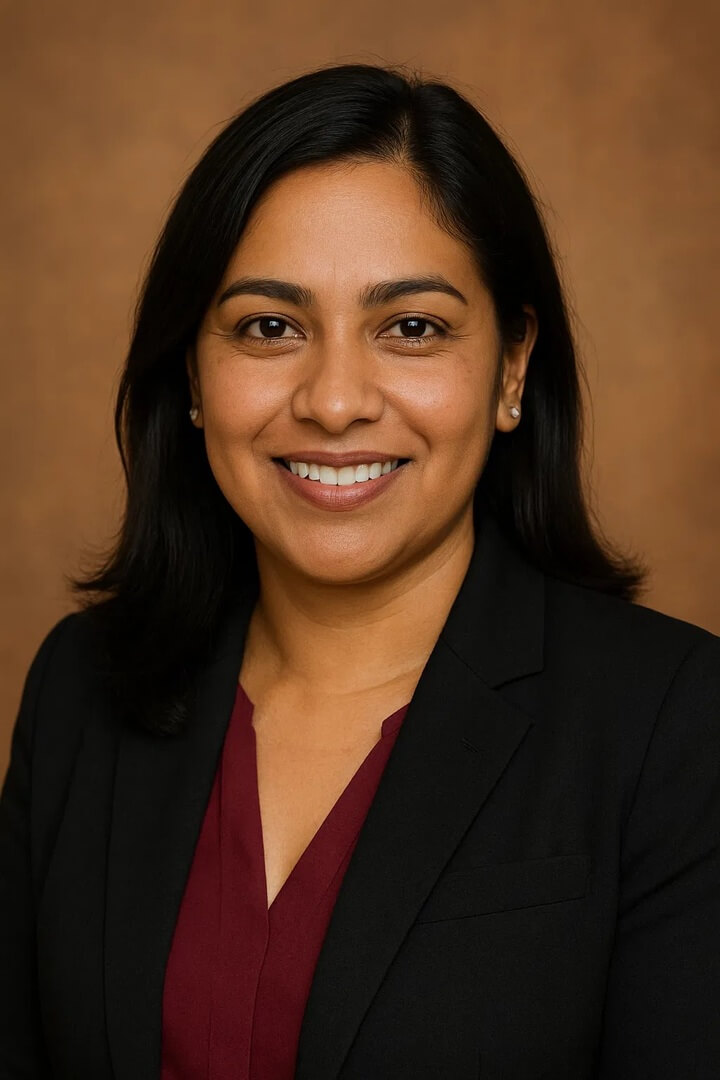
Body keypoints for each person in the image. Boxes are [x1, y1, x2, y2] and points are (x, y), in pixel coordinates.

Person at [1, 62, 718, 1080]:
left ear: (513, 367)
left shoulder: (674, 725)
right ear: (194, 376)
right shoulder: (81, 688)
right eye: (269, 327)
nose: (335, 402)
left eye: (412, 328)